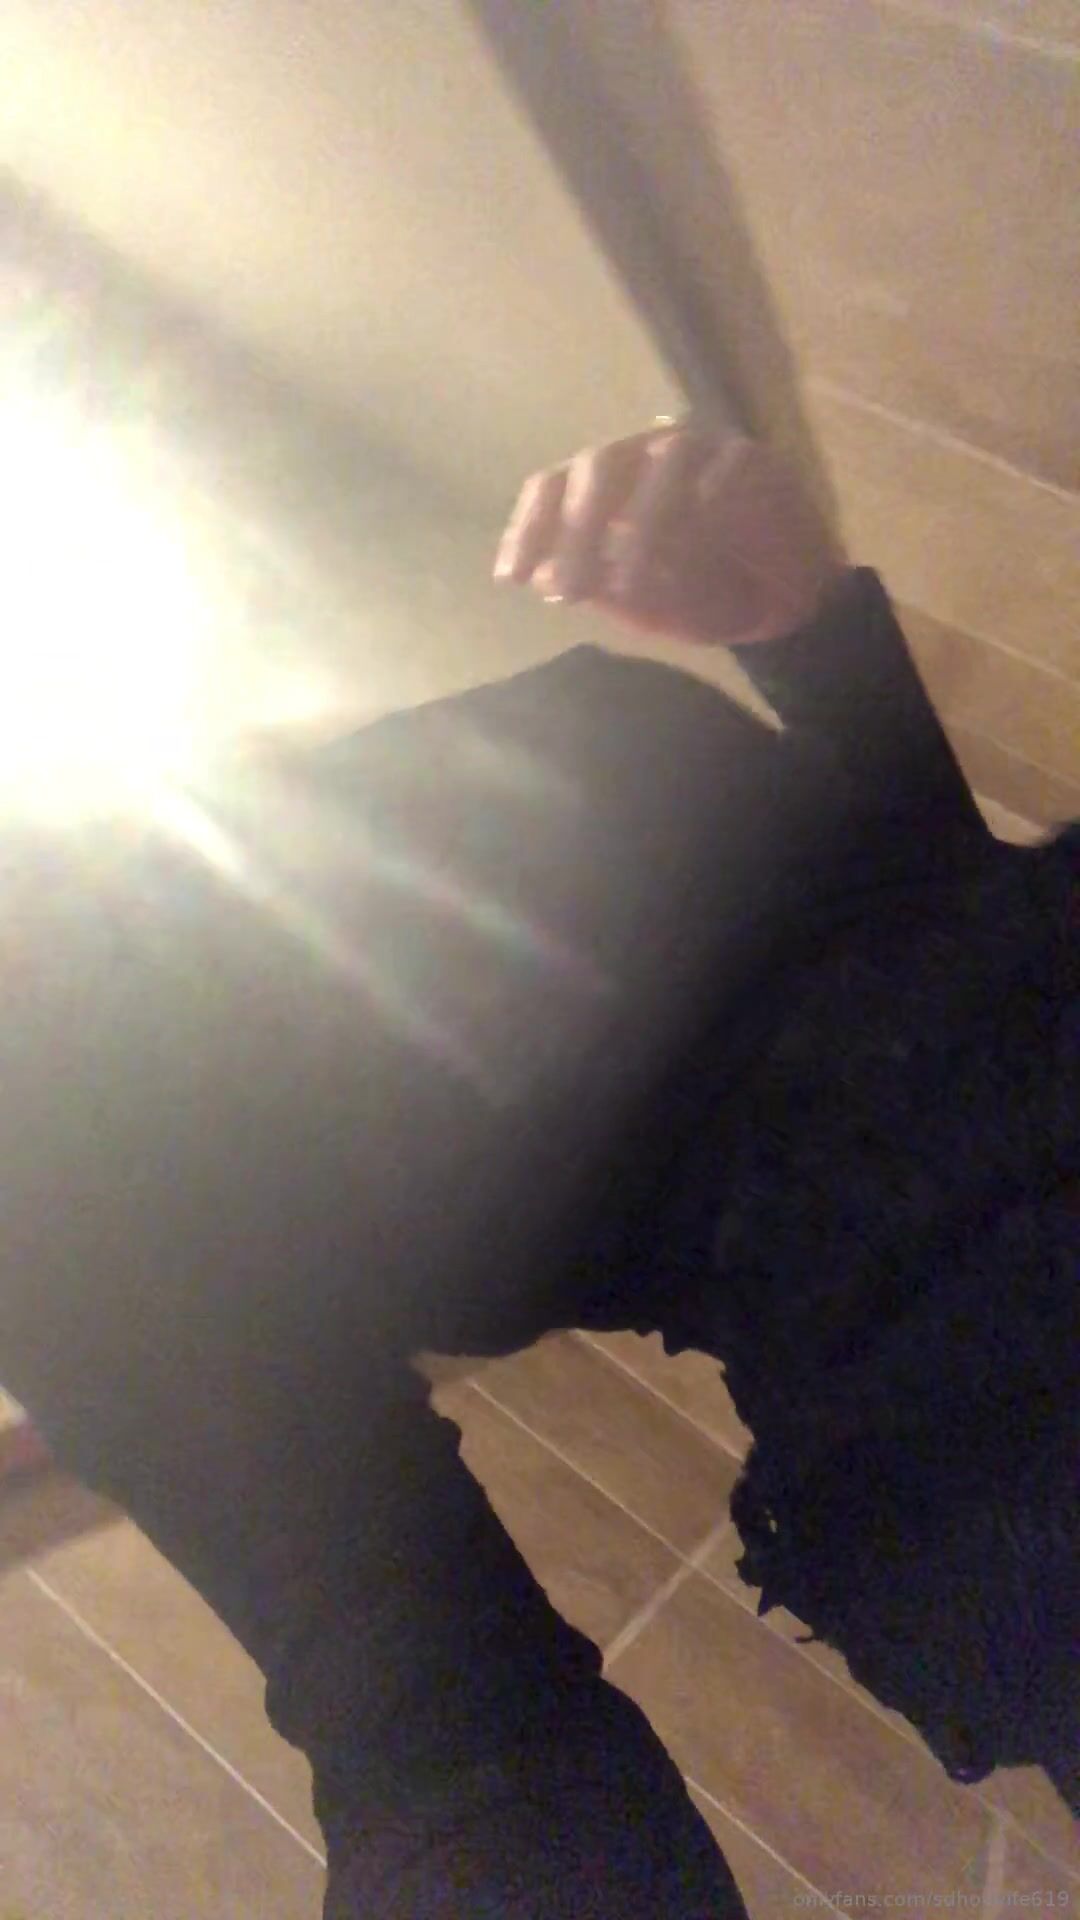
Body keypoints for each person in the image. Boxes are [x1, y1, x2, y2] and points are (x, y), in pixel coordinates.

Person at [0, 423, 1075, 1916]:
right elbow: (445, 1748)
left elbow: (944, 998)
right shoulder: (59, 1161)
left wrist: (821, 659)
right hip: (967, 1327)